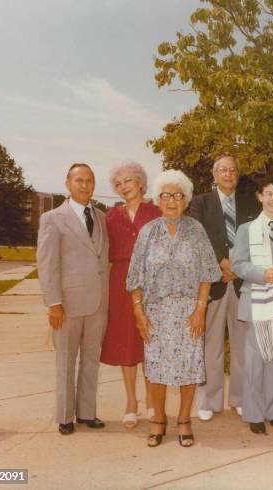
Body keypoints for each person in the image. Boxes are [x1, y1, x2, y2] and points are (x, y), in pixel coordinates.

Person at [127, 169, 221, 447]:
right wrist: (138, 312)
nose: (171, 201)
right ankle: (158, 419)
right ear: (157, 199)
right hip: (155, 312)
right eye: (166, 195)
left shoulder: (196, 230)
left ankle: (184, 420)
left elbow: (207, 273)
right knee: (156, 369)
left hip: (188, 311)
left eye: (178, 196)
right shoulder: (148, 232)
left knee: (189, 368)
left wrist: (200, 310)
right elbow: (135, 277)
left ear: (186, 200)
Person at [37, 163, 109, 435]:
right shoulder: (53, 218)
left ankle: (87, 412)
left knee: (91, 359)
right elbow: (47, 264)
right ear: (67, 183)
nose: (85, 185)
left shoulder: (101, 217)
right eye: (79, 180)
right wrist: (53, 303)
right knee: (66, 362)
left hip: (98, 304)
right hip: (67, 304)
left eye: (90, 180)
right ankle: (65, 416)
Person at [189, 154, 258, 421]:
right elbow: (198, 236)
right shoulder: (200, 203)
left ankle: (240, 398)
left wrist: (237, 266)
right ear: (214, 174)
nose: (228, 174)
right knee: (211, 345)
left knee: (242, 346)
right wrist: (221, 263)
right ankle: (208, 401)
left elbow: (256, 239)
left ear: (237, 175)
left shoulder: (250, 203)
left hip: (242, 284)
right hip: (213, 283)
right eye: (223, 170)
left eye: (232, 170)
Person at [231, 176, 273, 434]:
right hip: (256, 300)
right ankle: (254, 412)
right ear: (260, 196)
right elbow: (238, 265)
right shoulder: (247, 229)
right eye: (268, 193)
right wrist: (262, 274)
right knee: (256, 359)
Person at [100, 161, 160, 428]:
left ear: (140, 182)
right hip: (121, 282)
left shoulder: (156, 211)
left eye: (128, 181)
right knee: (126, 342)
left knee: (149, 341)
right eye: (119, 183)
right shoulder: (111, 216)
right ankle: (130, 402)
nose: (124, 186)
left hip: (152, 282)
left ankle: (150, 400)